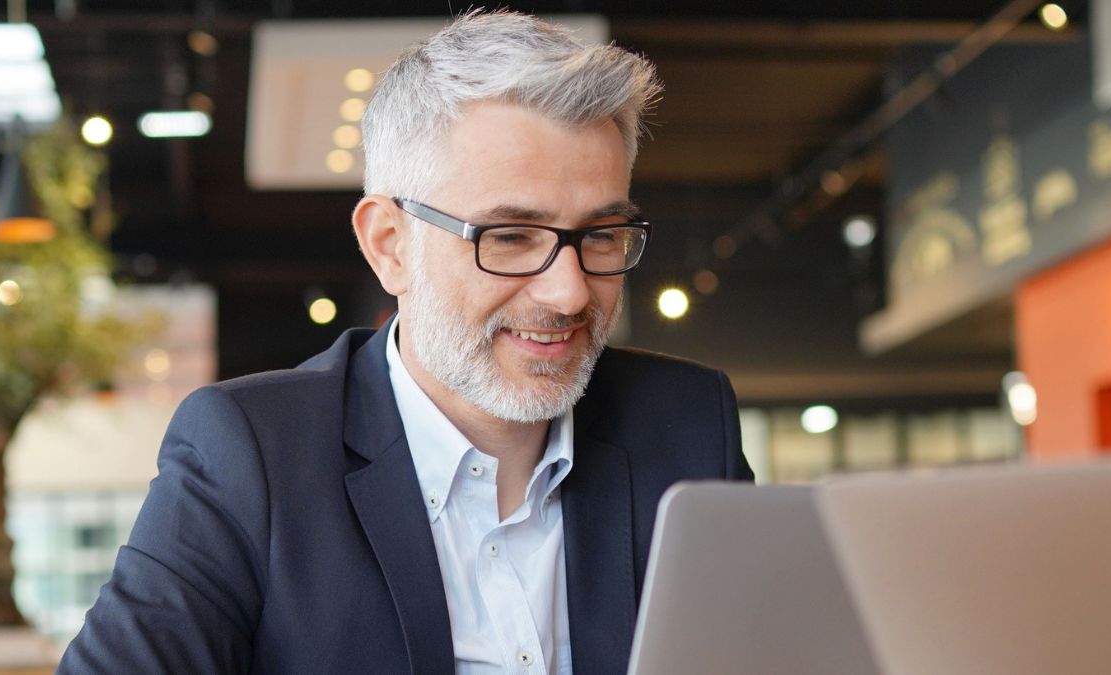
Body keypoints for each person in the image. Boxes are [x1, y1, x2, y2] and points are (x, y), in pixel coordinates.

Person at [59, 10, 752, 674]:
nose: (569, 293)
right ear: (390, 246)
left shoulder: (688, 427)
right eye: (509, 238)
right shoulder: (251, 457)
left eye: (600, 236)